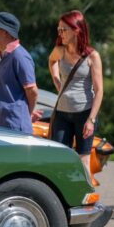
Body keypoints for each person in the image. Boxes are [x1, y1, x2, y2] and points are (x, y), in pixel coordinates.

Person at [47, 10, 104, 169]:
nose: (60, 34)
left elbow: (99, 91)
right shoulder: (60, 50)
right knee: (59, 156)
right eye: (59, 30)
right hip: (62, 113)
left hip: (84, 113)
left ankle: (84, 194)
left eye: (64, 30)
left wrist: (91, 120)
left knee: (83, 159)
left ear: (76, 30)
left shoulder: (92, 56)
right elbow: (51, 61)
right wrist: (57, 81)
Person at [0, 11, 41, 134]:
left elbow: (32, 91)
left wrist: (27, 114)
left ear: (5, 32)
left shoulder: (20, 56)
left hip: (13, 129)